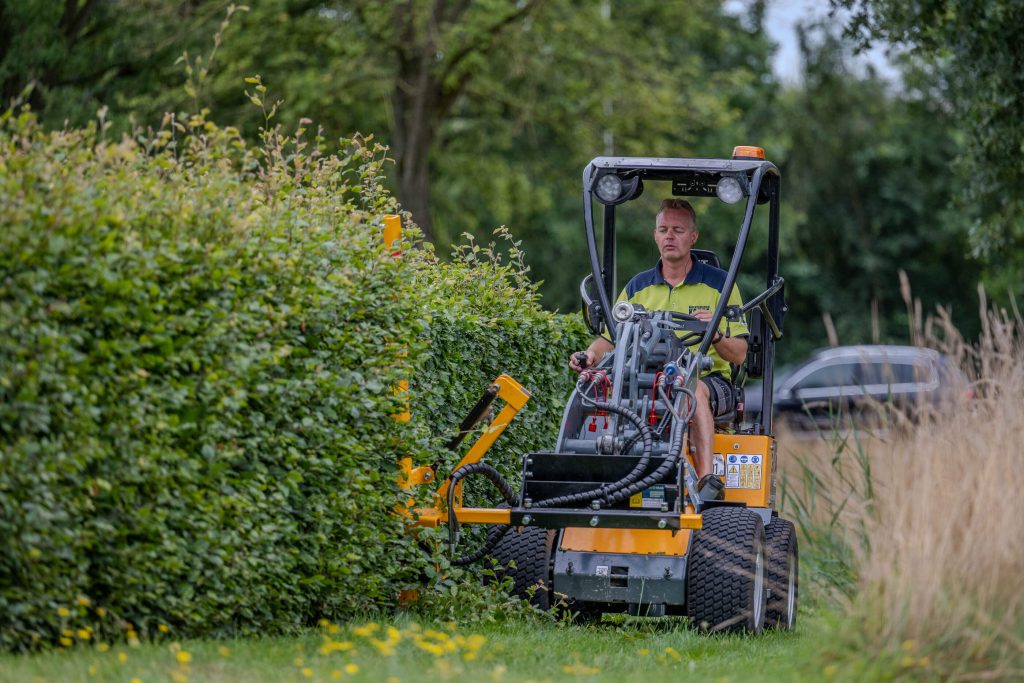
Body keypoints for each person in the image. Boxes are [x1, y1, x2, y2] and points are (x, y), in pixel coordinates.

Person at [568, 198, 748, 491]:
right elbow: (611, 340)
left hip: (709, 380)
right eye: (663, 229)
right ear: (655, 235)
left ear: (693, 237)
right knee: (594, 389)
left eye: (678, 230)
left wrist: (713, 334)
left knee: (689, 389)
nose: (669, 236)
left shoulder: (720, 285)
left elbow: (739, 354)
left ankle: (704, 480)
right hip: (646, 380)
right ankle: (596, 477)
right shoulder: (639, 287)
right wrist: (589, 355)